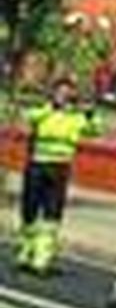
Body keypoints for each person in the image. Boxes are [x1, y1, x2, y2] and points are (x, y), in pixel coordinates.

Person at [15, 77, 103, 275]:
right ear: (53, 94)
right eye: (59, 92)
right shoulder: (43, 112)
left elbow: (95, 131)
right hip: (37, 165)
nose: (63, 96)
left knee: (52, 214)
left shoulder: (76, 118)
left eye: (67, 93)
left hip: (60, 168)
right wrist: (51, 107)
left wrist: (90, 113)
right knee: (29, 211)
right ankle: (26, 251)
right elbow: (29, 117)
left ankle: (41, 259)